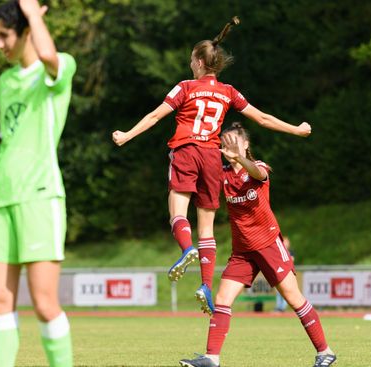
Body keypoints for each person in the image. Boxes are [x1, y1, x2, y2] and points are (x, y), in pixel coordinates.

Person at [112, 17, 311, 316]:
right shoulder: (229, 92)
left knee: (177, 214)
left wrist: (127, 135)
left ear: (199, 62)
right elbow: (263, 119)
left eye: (192, 59)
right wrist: (296, 129)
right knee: (207, 228)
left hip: (186, 151)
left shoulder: (185, 87)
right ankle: (205, 284)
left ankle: (185, 248)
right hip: (212, 158)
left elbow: (155, 117)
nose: (190, 63)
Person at [179, 123, 336, 367]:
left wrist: (239, 158)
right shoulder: (222, 174)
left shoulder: (258, 167)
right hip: (242, 251)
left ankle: (325, 351)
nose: (228, 147)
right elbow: (200, 176)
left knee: (294, 298)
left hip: (268, 244)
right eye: (225, 143)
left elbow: (258, 173)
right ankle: (211, 358)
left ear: (246, 145)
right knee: (222, 299)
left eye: (234, 142)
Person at [0, 1, 76, 366]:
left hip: (40, 196)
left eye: (4, 36)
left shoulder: (60, 67)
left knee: (44, 304)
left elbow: (48, 55)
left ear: (24, 33)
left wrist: (34, 13)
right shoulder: (5, 81)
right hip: (0, 199)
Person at [275, 236, 294, 312]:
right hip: (280, 273)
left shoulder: (291, 252)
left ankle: (283, 307)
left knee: (287, 291)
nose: (285, 243)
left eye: (287, 242)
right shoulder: (278, 251)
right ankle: (278, 307)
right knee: (279, 291)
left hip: (288, 273)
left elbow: (291, 260)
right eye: (284, 242)